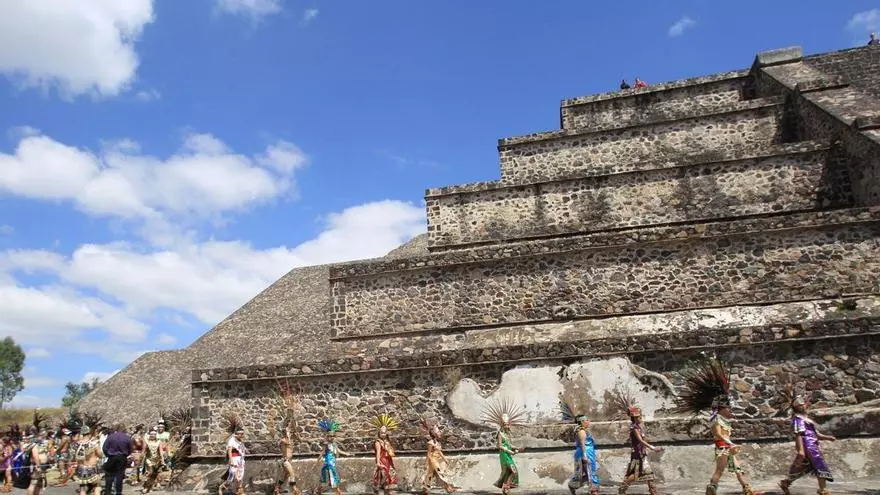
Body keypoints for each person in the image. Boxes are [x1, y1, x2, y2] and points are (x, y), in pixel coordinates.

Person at [676, 358, 759, 495]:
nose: (730, 411)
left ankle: (748, 490)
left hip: (728, 447)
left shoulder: (724, 419)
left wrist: (730, 444)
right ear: (721, 409)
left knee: (738, 469)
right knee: (719, 471)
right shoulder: (716, 420)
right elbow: (719, 435)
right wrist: (730, 443)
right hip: (722, 448)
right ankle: (711, 489)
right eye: (728, 408)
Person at [779, 392, 836, 495]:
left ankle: (786, 483)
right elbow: (799, 435)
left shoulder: (806, 419)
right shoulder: (798, 419)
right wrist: (801, 450)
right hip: (808, 447)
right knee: (819, 465)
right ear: (798, 407)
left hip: (813, 445)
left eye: (804, 404)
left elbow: (815, 434)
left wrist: (827, 438)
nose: (804, 405)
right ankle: (823, 490)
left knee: (804, 468)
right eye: (801, 404)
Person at [482, 400, 526, 495]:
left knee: (512, 472)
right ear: (502, 425)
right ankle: (506, 487)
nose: (507, 426)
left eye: (507, 424)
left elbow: (509, 445)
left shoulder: (506, 434)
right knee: (513, 471)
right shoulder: (500, 434)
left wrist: (518, 448)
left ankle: (506, 487)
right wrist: (509, 451)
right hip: (504, 455)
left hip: (508, 455)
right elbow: (500, 445)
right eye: (505, 424)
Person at [617, 403, 661, 495]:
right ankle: (622, 489)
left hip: (642, 453)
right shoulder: (634, 428)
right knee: (635, 474)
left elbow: (643, 440)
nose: (641, 419)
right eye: (640, 417)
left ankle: (653, 492)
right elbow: (640, 440)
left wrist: (647, 447)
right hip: (637, 454)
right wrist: (652, 447)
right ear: (636, 418)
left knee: (649, 473)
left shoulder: (639, 427)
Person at [560, 400, 599, 495]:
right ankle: (591, 490)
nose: (588, 422)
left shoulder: (585, 430)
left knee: (588, 473)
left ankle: (588, 488)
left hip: (589, 453)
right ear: (582, 422)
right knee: (589, 473)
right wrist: (585, 457)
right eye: (586, 420)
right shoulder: (581, 431)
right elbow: (582, 444)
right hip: (584, 454)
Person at [420, 419, 457, 494]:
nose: (440, 433)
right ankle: (448, 487)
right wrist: (427, 462)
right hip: (433, 460)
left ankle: (425, 488)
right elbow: (429, 453)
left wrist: (445, 459)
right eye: (438, 432)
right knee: (440, 472)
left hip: (437, 459)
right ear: (435, 435)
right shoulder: (431, 443)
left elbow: (439, 452)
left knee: (430, 474)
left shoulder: (437, 443)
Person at [315, 419, 350, 495]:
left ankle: (319, 490)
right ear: (327, 437)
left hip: (332, 462)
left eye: (333, 436)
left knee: (325, 477)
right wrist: (317, 461)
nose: (332, 437)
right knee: (333, 475)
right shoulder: (326, 444)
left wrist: (347, 454)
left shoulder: (334, 444)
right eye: (330, 436)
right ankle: (338, 491)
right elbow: (322, 452)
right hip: (328, 463)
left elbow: (339, 451)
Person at [371, 415, 398, 495]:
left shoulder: (387, 441)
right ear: (379, 433)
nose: (383, 434)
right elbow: (378, 453)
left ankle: (387, 491)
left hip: (388, 461)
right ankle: (379, 490)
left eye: (385, 433)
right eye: (382, 433)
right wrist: (378, 463)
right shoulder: (378, 442)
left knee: (390, 479)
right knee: (382, 477)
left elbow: (390, 452)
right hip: (382, 461)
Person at [72, 427, 103, 495]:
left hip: (80, 469)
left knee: (82, 489)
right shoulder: (94, 444)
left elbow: (74, 457)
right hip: (92, 468)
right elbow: (100, 455)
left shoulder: (76, 444)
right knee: (97, 486)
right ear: (89, 433)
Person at [103, 423, 132, 495]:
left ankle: (108, 491)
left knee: (109, 474)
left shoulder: (111, 437)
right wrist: (126, 455)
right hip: (122, 457)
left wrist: (108, 455)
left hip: (112, 457)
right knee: (119, 475)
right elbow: (130, 449)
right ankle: (118, 492)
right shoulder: (127, 437)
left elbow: (104, 448)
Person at [274, 425, 301, 495]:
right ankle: (295, 490)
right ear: (284, 433)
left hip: (289, 461)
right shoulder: (283, 440)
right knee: (292, 474)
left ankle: (277, 489)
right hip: (285, 461)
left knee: (284, 476)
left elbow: (300, 440)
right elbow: (288, 443)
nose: (289, 432)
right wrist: (288, 435)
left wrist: (296, 434)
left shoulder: (289, 439)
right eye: (288, 431)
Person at [220, 426, 247, 495]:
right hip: (234, 459)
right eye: (240, 434)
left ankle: (239, 491)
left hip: (240, 460)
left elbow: (242, 451)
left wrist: (242, 461)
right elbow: (229, 451)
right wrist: (231, 460)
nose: (242, 435)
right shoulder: (232, 440)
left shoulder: (240, 441)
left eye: (242, 434)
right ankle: (222, 488)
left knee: (240, 476)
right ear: (236, 434)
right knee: (233, 475)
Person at [141, 429, 167, 494]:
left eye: (154, 434)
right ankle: (146, 487)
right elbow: (143, 451)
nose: (153, 435)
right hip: (148, 460)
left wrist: (163, 461)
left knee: (154, 474)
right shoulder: (147, 441)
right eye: (151, 434)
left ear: (156, 435)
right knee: (149, 473)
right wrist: (140, 459)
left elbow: (160, 452)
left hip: (156, 460)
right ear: (149, 435)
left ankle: (150, 487)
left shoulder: (159, 442)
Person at [25, 430, 50, 495]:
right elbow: (35, 456)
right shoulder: (34, 444)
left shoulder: (41, 444)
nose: (44, 437)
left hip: (42, 465)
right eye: (42, 436)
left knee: (40, 483)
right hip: (37, 466)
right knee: (33, 482)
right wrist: (38, 466)